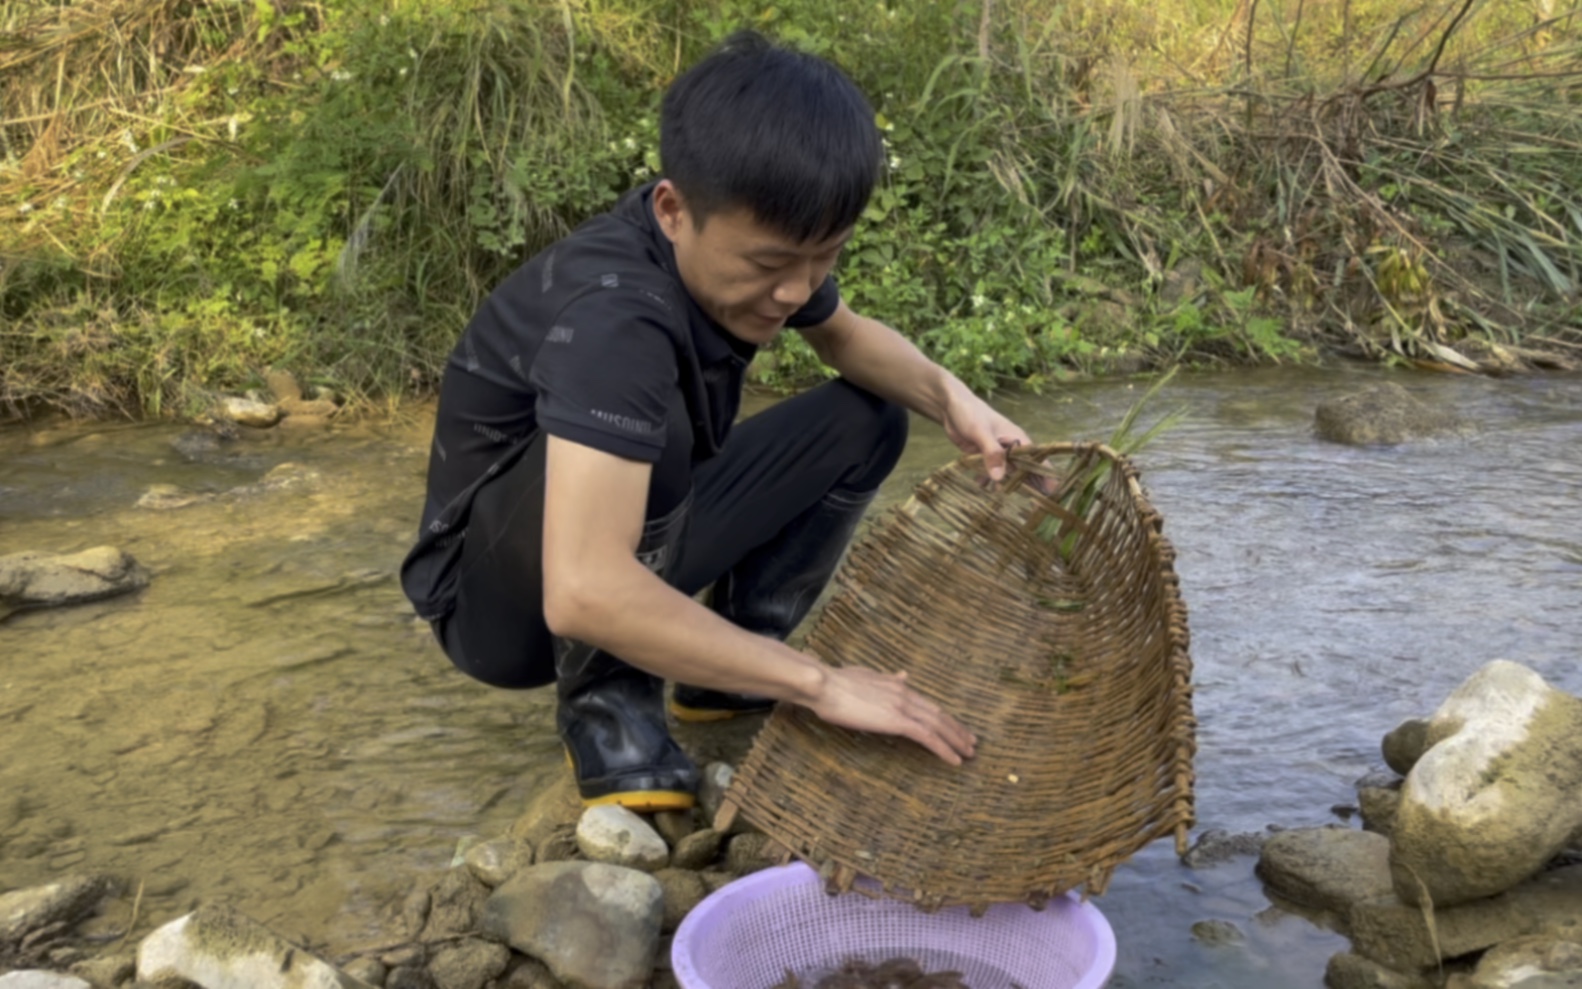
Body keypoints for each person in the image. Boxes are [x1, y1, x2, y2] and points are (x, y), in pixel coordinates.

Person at [400, 30, 1038, 813]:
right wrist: (823, 684)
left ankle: (725, 670)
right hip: (503, 609)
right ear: (672, 210)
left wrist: (953, 399)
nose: (796, 292)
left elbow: (846, 337)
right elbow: (581, 591)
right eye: (770, 266)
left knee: (868, 416)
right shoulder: (614, 320)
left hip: (621, 543)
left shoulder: (748, 259)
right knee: (649, 419)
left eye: (825, 257)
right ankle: (607, 711)